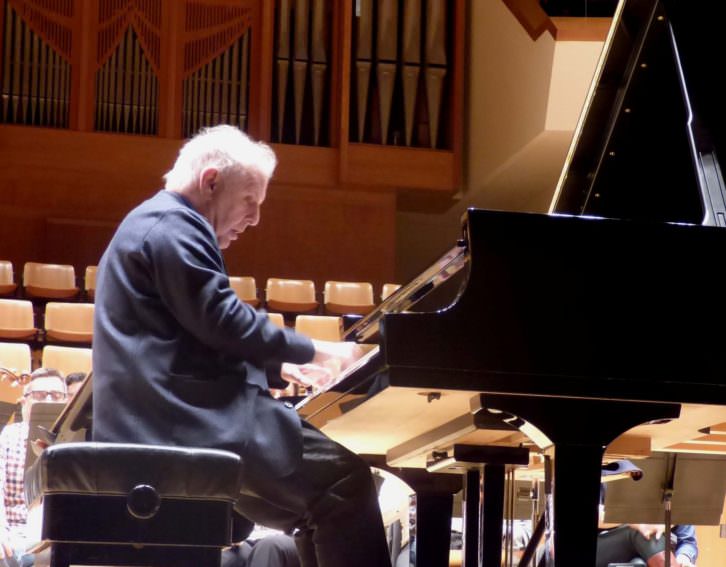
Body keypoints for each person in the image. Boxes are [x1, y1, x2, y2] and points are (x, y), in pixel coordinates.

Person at [91, 124, 391, 567]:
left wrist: (277, 370)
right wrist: (317, 351)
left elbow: (188, 336)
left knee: (314, 505)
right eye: (250, 201)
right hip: (190, 422)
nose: (255, 219)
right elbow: (220, 318)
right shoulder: (171, 225)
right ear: (211, 181)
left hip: (167, 418)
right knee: (345, 481)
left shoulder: (156, 223)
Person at [0, 368, 67, 567]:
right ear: (24, 402)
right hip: (12, 533)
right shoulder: (8, 436)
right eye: (38, 395)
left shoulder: (76, 441)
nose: (48, 400)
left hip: (55, 538)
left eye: (56, 395)